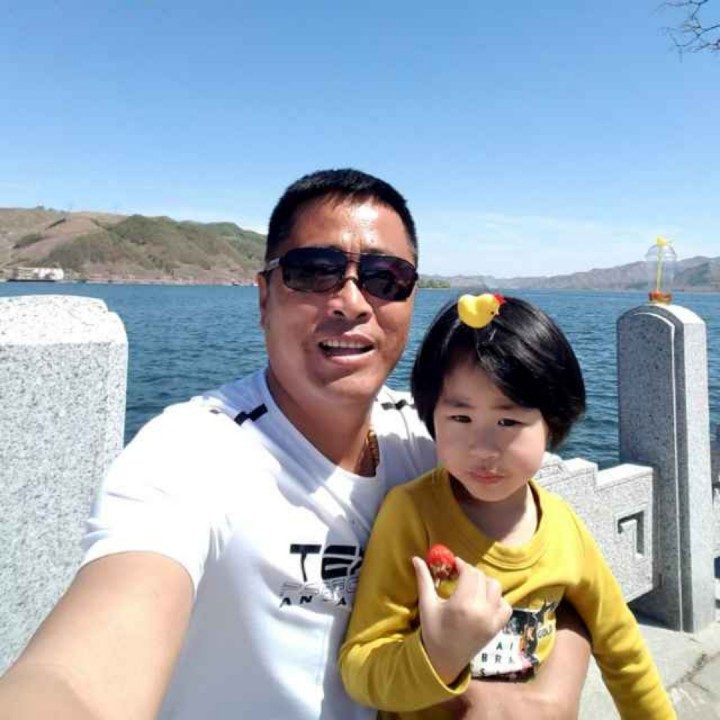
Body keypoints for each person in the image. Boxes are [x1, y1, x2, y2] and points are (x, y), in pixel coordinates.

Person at [0, 170, 589, 720]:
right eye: (313, 271)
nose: (352, 301)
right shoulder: (194, 452)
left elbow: (557, 572)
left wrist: (553, 692)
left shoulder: (436, 438)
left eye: (385, 279)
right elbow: (79, 675)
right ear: (264, 297)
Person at [339, 295, 675, 719]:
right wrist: (437, 654)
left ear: (552, 423)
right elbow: (360, 665)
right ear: (431, 416)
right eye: (461, 419)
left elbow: (622, 647)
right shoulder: (410, 514)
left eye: (509, 422)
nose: (483, 448)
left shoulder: (564, 526)